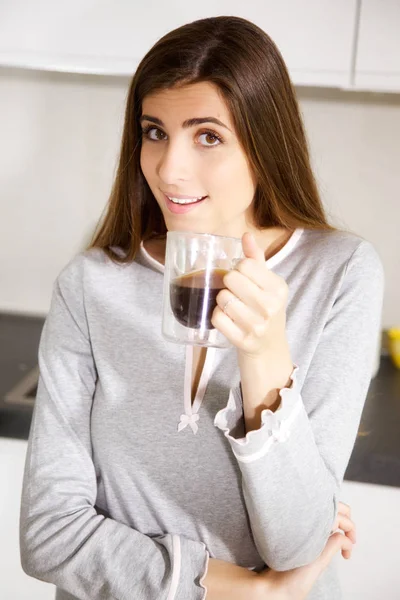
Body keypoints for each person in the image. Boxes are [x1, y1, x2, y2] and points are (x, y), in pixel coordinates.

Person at [19, 15, 383, 600]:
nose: (169, 168)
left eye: (207, 135)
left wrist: (264, 355)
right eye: (155, 131)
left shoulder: (339, 273)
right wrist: (251, 590)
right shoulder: (90, 284)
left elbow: (295, 542)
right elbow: (49, 536)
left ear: (263, 145)